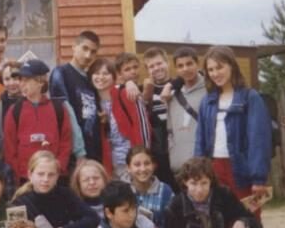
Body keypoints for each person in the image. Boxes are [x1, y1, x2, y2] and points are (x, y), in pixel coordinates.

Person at [193, 45, 271, 228]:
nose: (216, 73)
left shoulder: (250, 98)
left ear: (232, 66)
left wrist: (258, 177)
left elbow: (259, 138)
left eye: (220, 67)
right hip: (213, 171)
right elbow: (200, 140)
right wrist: (198, 174)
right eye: (211, 69)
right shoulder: (207, 101)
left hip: (242, 172)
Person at [3, 60, 72, 183]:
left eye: (26, 80)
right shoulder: (14, 111)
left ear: (40, 81)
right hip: (25, 179)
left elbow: (66, 142)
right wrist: (19, 174)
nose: (21, 84)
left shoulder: (58, 109)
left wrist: (59, 167)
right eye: (20, 80)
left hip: (52, 177)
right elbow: (10, 148)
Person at [88, 57, 151, 179]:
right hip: (110, 165)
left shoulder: (126, 94)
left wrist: (143, 158)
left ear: (114, 76)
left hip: (132, 162)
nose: (100, 77)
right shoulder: (93, 102)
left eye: (105, 73)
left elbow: (143, 127)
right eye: (96, 73)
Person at [50, 30, 102, 166]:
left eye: (93, 52)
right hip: (74, 154)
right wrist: (79, 152)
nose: (88, 55)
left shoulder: (92, 78)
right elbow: (66, 113)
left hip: (95, 150)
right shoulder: (60, 73)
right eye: (85, 48)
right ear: (73, 47)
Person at [167, 47, 207, 180]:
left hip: (203, 167)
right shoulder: (173, 95)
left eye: (189, 63)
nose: (185, 69)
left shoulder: (210, 90)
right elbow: (170, 131)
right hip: (179, 169)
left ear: (197, 64)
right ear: (176, 69)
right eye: (180, 66)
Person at [142, 47, 177, 189]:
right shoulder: (144, 90)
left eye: (159, 63)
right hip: (158, 152)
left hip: (179, 148)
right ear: (147, 70)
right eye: (151, 66)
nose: (156, 68)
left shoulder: (179, 86)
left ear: (167, 63)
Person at [126, 146, 174, 228]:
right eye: (137, 165)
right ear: (128, 168)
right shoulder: (122, 191)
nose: (143, 169)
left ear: (153, 166)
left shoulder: (165, 191)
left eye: (147, 163)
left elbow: (172, 225)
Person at [0, 60, 22, 149]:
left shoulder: (30, 102)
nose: (12, 83)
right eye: (7, 79)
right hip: (6, 152)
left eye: (15, 78)